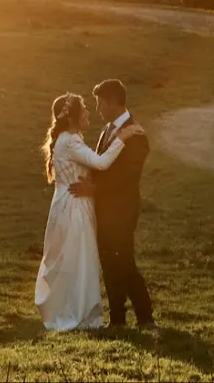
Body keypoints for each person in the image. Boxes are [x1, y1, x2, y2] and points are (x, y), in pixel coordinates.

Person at [35, 92, 144, 331]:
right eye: (84, 109)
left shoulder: (66, 139)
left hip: (66, 204)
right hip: (74, 207)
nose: (88, 113)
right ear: (73, 116)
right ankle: (82, 316)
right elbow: (101, 163)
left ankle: (74, 311)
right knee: (81, 262)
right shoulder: (71, 141)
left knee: (72, 260)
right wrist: (122, 137)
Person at [69, 79, 157, 331]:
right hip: (104, 211)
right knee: (109, 261)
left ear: (113, 102)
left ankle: (145, 317)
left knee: (124, 261)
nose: (97, 109)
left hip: (122, 210)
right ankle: (117, 319)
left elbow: (128, 176)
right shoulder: (107, 129)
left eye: (100, 103)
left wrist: (95, 189)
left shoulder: (136, 134)